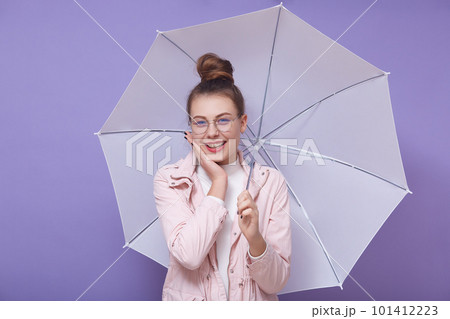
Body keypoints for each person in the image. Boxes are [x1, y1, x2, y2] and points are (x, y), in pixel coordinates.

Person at [153, 53, 291, 301]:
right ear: (191, 127)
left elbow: (276, 283)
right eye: (200, 122)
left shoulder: (271, 182)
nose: (212, 133)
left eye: (223, 120)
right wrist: (219, 182)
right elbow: (190, 256)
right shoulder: (171, 180)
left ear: (243, 122)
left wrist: (255, 239)